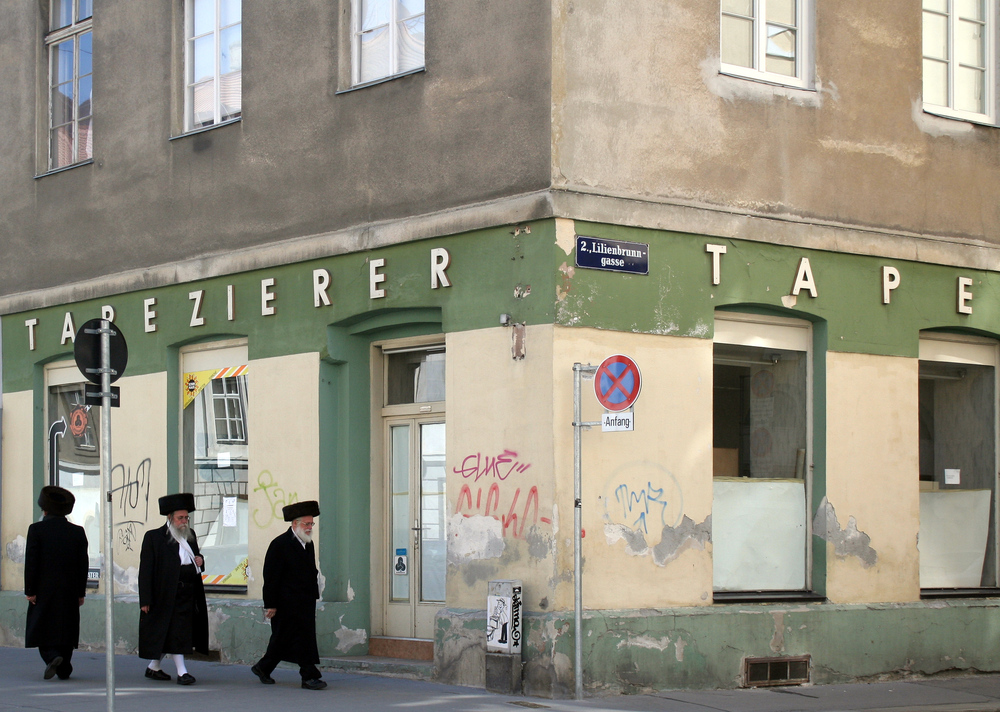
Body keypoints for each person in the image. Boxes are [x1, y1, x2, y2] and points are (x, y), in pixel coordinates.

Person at [251, 500, 326, 690]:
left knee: (285, 639)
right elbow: (271, 577)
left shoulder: (307, 543)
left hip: (304, 601)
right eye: (306, 524)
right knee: (297, 638)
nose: (309, 527)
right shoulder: (279, 544)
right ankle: (309, 676)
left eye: (311, 524)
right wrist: (271, 604)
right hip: (286, 602)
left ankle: (263, 667)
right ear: (294, 524)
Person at [138, 493, 209, 685]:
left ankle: (154, 667)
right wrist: (145, 599)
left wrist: (201, 561)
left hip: (188, 594)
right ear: (170, 518)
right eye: (180, 518)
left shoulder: (190, 535)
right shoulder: (154, 537)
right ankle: (182, 672)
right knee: (175, 632)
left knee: (174, 632)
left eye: (186, 517)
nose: (184, 521)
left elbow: (196, 560)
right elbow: (146, 570)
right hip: (165, 595)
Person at [24, 486, 89, 680]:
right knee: (66, 627)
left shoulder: (37, 530)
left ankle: (53, 657)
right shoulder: (77, 532)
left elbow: (32, 561)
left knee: (41, 626)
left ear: (44, 510)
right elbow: (82, 564)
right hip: (69, 590)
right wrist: (80, 592)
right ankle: (64, 666)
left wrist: (30, 589)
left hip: (43, 589)